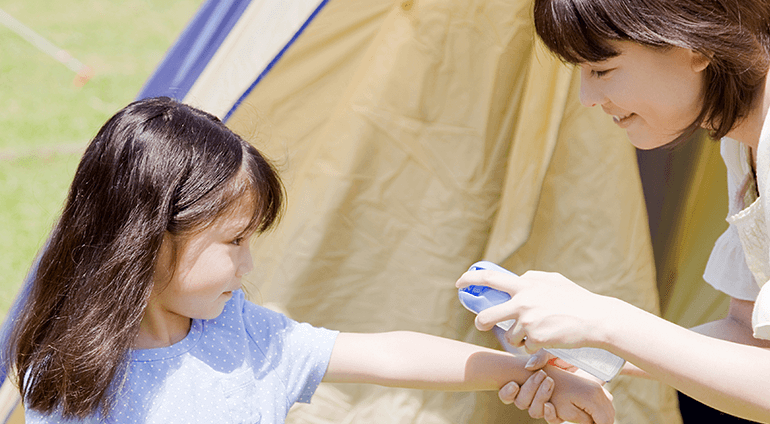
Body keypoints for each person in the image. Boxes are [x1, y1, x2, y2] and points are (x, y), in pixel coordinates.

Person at [3, 97, 612, 424]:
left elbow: (389, 353)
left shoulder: (244, 335)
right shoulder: (72, 377)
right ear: (152, 235)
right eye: (235, 241)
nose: (247, 267)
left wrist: (528, 372)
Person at [456, 0, 770, 421]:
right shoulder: (743, 143)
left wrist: (605, 321)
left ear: (696, 44)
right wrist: (589, 352)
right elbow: (748, 337)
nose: (587, 97)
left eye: (601, 70)